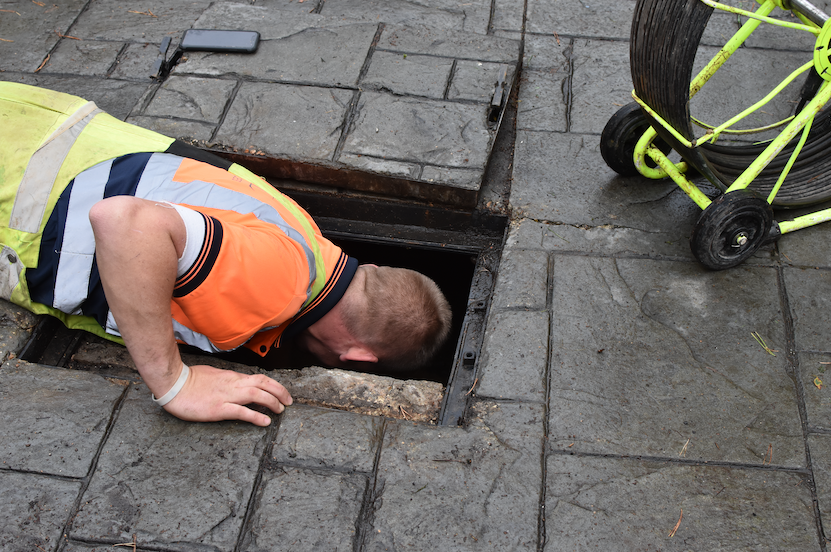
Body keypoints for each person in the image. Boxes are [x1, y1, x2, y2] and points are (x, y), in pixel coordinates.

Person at [0, 82, 452, 426]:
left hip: (31, 127)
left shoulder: (307, 237)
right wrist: (175, 382)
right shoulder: (279, 284)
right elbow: (125, 222)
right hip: (17, 180)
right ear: (357, 358)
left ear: (372, 269)